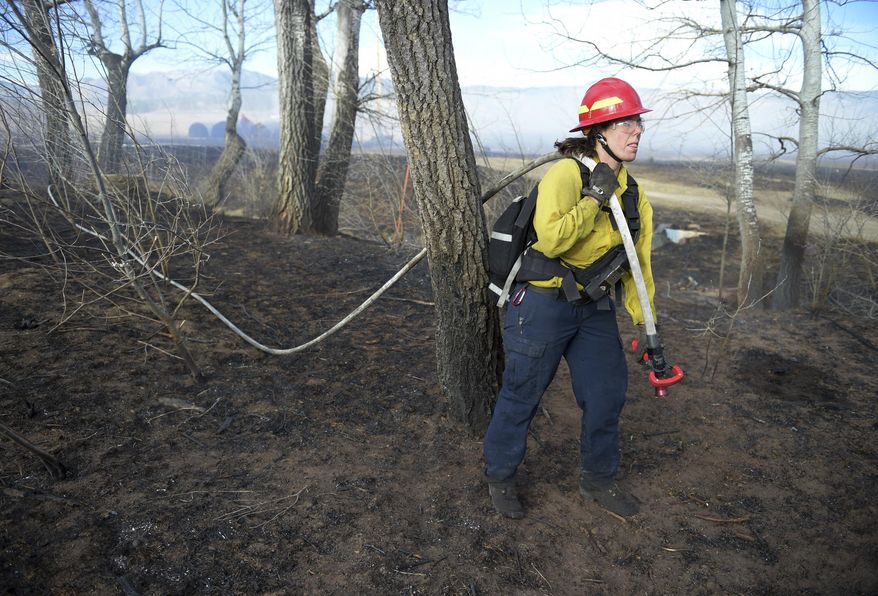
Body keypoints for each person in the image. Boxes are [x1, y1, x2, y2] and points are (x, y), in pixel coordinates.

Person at [483, 77, 657, 519]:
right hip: (540, 305)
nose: (635, 132)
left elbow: (639, 267)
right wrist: (595, 198)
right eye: (624, 124)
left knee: (606, 395)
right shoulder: (565, 174)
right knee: (522, 392)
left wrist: (646, 326)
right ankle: (500, 476)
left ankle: (599, 480)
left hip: (593, 309)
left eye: (637, 123)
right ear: (598, 133)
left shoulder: (635, 196)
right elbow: (552, 241)